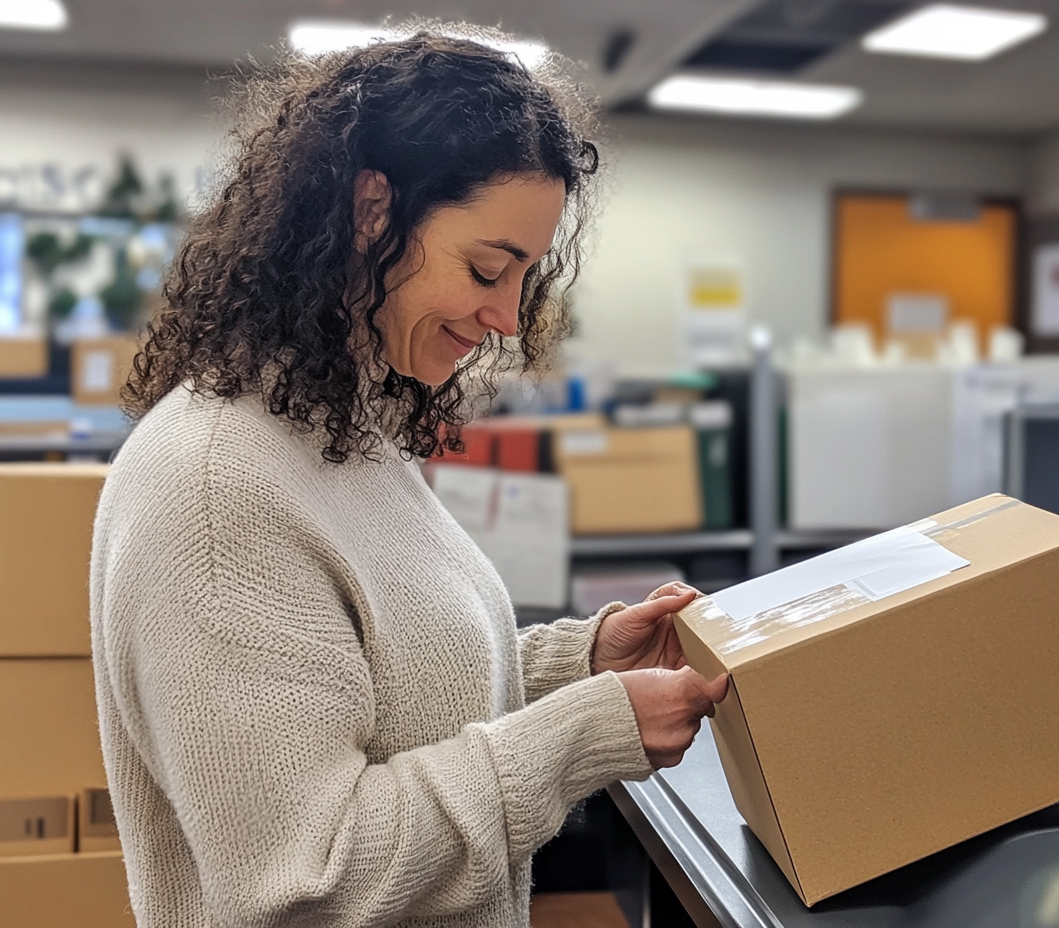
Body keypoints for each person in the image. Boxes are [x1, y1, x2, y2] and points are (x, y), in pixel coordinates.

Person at [90, 25, 728, 928]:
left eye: (526, 277)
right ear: (370, 212)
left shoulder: (342, 434)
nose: (508, 316)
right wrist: (585, 734)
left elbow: (392, 691)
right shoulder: (215, 491)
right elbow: (302, 882)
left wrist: (579, 662)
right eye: (487, 268)